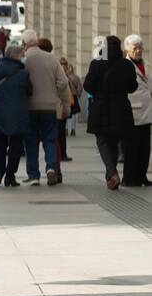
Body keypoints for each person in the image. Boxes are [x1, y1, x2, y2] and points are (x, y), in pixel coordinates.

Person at [84, 35, 138, 190]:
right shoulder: (127, 65)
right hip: (121, 108)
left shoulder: (96, 64)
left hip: (100, 108)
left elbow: (88, 86)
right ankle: (110, 177)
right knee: (114, 143)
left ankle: (112, 173)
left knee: (102, 141)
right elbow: (133, 87)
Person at [21, 30, 70, 186]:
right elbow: (63, 83)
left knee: (31, 141)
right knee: (49, 139)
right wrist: (59, 99)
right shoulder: (51, 58)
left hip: (30, 108)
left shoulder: (24, 60)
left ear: (24, 44)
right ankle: (51, 168)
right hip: (50, 107)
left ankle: (34, 175)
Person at [0, 42, 32, 187]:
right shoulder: (23, 74)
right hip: (17, 113)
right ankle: (10, 175)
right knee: (15, 146)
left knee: (0, 144)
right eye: (22, 55)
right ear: (17, 56)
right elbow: (29, 91)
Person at [122, 34, 151, 187]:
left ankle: (142, 176)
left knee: (145, 148)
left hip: (147, 112)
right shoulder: (125, 65)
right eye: (135, 48)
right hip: (133, 112)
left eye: (140, 48)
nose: (138, 51)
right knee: (132, 148)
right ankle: (128, 178)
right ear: (128, 50)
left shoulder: (147, 64)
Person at [59, 55, 82, 147]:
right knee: (73, 114)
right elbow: (80, 87)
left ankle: (67, 129)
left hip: (66, 97)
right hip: (74, 96)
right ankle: (72, 129)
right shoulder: (75, 77)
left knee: (68, 114)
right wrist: (78, 95)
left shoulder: (64, 76)